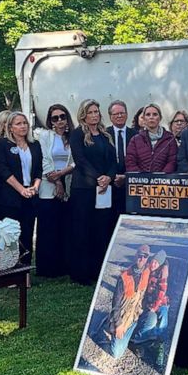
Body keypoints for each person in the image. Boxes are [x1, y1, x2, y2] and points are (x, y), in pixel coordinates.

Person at [70, 99, 117, 285]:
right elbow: (80, 160)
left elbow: (113, 161)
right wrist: (98, 177)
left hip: (104, 189)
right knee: (83, 230)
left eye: (96, 111)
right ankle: (81, 272)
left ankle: (98, 270)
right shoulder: (77, 134)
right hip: (84, 188)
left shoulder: (105, 135)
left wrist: (109, 177)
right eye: (90, 112)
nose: (94, 115)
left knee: (101, 229)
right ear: (83, 114)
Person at [0, 112, 43, 268]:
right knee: (10, 234)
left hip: (30, 194)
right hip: (10, 196)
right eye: (18, 124)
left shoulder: (35, 145)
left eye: (25, 123)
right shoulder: (3, 144)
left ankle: (25, 270)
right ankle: (8, 268)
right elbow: (3, 170)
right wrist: (21, 189)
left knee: (27, 232)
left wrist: (35, 187)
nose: (23, 126)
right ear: (10, 128)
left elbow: (39, 170)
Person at [34, 104, 75, 278]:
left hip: (69, 183)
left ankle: (63, 265)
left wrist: (63, 175)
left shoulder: (73, 137)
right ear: (50, 121)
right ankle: (46, 268)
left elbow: (76, 161)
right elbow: (44, 159)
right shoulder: (45, 136)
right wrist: (57, 181)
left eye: (62, 117)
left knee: (64, 226)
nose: (59, 121)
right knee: (48, 227)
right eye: (55, 118)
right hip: (48, 184)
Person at [97, 244, 154, 359]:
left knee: (152, 319)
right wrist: (118, 325)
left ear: (148, 258)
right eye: (140, 255)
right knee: (116, 354)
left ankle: (132, 338)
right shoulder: (124, 277)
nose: (142, 258)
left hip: (136, 315)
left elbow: (161, 261)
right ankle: (112, 325)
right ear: (135, 255)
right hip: (123, 319)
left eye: (145, 256)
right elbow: (115, 304)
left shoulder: (147, 271)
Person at [126, 104, 178, 173]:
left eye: (155, 114)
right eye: (148, 114)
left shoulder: (170, 138)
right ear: (144, 119)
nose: (151, 117)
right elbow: (130, 162)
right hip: (141, 182)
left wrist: (161, 177)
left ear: (160, 118)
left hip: (163, 181)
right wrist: (143, 178)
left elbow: (172, 161)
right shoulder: (135, 140)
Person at [108, 101, 135, 219]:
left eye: (122, 113)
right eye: (115, 114)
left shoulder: (136, 134)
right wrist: (113, 176)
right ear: (110, 117)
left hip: (129, 184)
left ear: (127, 114)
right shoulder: (104, 134)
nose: (119, 116)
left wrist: (126, 177)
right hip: (109, 183)